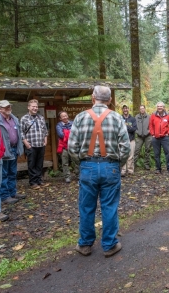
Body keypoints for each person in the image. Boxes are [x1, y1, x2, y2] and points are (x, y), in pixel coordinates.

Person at [68, 85, 130, 257]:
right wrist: (117, 165)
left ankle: (85, 244)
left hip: (87, 166)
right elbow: (125, 148)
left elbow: (71, 147)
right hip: (110, 166)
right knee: (109, 206)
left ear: (92, 98)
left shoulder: (80, 118)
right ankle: (109, 245)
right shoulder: (117, 118)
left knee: (86, 206)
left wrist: (81, 163)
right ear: (110, 100)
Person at [0, 100, 25, 203]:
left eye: (9, 106)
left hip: (14, 149)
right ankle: (5, 196)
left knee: (13, 172)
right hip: (4, 150)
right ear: (0, 109)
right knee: (4, 173)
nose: (8, 108)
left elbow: (19, 133)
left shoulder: (14, 119)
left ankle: (13, 193)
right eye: (5, 107)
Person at [21, 99, 48, 189]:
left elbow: (45, 130)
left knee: (39, 164)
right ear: (29, 107)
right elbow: (21, 132)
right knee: (32, 164)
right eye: (33, 106)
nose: (35, 108)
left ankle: (39, 180)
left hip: (41, 144)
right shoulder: (24, 118)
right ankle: (33, 182)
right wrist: (26, 143)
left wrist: (45, 140)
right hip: (31, 145)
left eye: (36, 106)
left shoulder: (40, 117)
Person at [149, 102, 169, 174]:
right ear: (157, 107)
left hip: (164, 138)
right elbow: (150, 125)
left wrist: (168, 133)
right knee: (156, 154)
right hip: (155, 138)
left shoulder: (167, 116)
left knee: (168, 153)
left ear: (164, 107)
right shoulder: (153, 115)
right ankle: (158, 168)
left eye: (161, 106)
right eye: (158, 106)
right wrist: (153, 134)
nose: (159, 107)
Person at [56, 111, 73, 183]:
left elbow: (76, 133)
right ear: (60, 118)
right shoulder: (58, 126)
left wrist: (66, 133)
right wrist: (70, 133)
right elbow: (61, 135)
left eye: (66, 115)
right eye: (63, 116)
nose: (65, 117)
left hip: (73, 145)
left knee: (76, 161)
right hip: (64, 146)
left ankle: (79, 175)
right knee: (65, 162)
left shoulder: (73, 123)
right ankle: (67, 177)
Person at [121, 105, 137, 176]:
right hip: (122, 140)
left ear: (128, 109)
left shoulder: (133, 119)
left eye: (126, 108)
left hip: (131, 140)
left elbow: (134, 129)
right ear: (122, 110)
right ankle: (123, 171)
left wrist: (125, 127)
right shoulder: (120, 118)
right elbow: (119, 128)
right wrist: (129, 127)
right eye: (124, 108)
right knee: (123, 155)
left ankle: (130, 170)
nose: (125, 110)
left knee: (131, 156)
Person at [134, 105, 152, 170]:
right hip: (139, 136)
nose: (142, 110)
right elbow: (134, 126)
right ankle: (133, 165)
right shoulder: (136, 117)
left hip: (148, 136)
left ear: (145, 109)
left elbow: (152, 125)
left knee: (147, 150)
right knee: (136, 150)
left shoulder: (149, 116)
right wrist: (137, 132)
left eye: (143, 108)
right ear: (139, 110)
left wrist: (149, 131)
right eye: (140, 109)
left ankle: (146, 165)